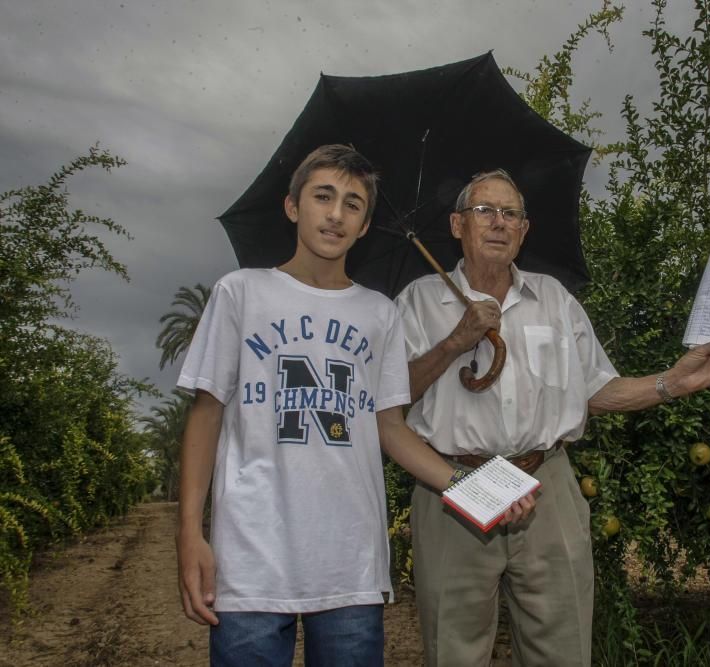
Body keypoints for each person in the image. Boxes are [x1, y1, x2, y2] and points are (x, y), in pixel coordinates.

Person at [174, 146, 532, 667]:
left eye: (354, 204)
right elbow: (205, 415)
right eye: (323, 197)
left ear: (365, 226)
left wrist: (473, 487)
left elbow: (390, 427)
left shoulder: (379, 313)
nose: (336, 214)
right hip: (250, 560)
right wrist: (190, 534)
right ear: (293, 206)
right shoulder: (241, 293)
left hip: (351, 568)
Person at [394, 168, 710, 666]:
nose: (498, 222)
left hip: (547, 484)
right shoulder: (415, 302)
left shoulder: (555, 300)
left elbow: (596, 390)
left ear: (524, 230)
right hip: (453, 485)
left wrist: (674, 381)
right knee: (452, 648)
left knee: (561, 648)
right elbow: (392, 399)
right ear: (457, 225)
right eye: (484, 211)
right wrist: (455, 341)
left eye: (510, 214)